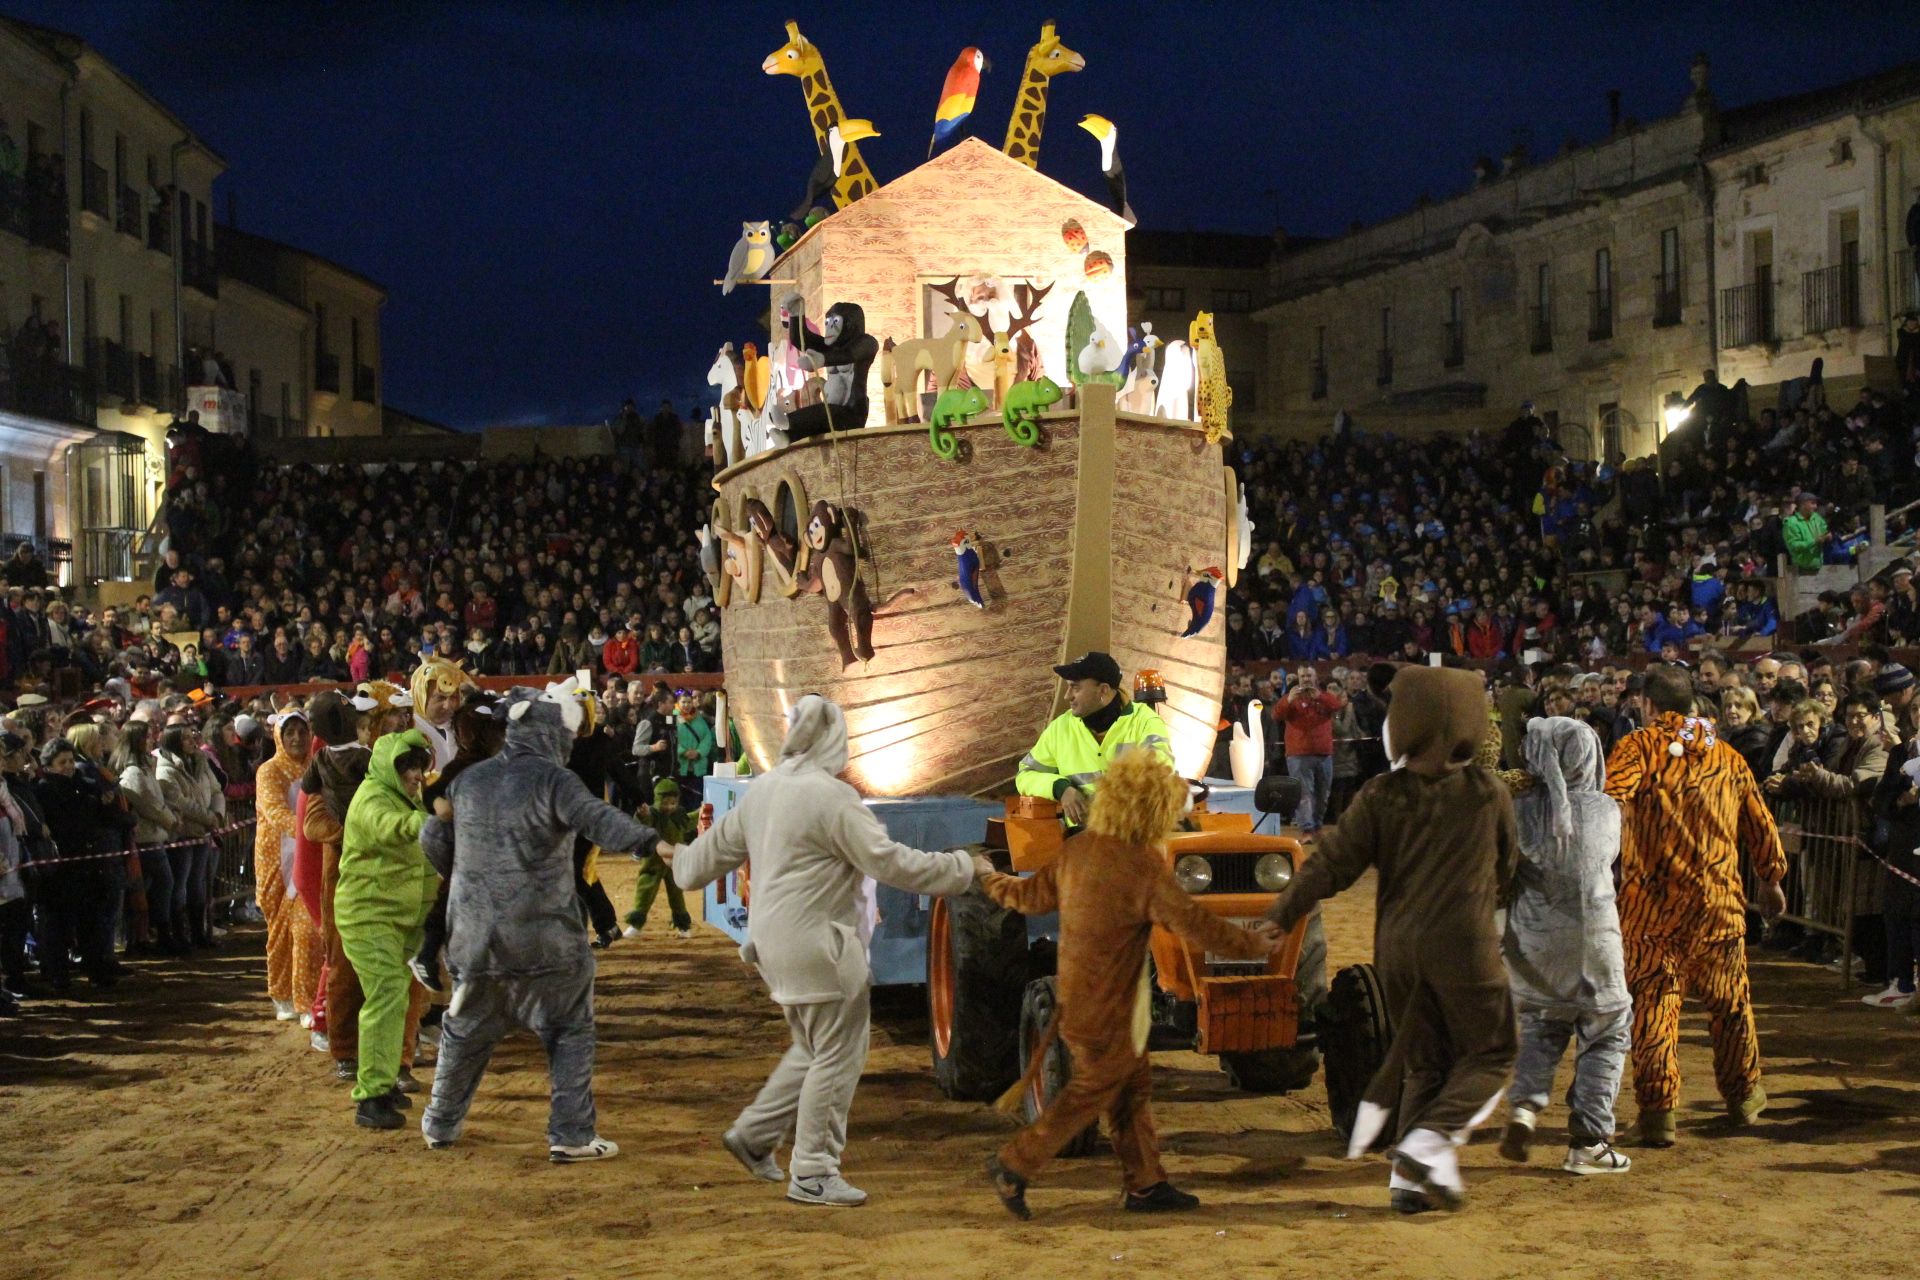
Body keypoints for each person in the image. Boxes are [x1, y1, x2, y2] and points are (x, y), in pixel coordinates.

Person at [672, 696, 977, 1207]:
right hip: (820, 947)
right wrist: (966, 871)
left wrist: (674, 853)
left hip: (772, 945)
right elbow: (890, 863)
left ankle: (754, 1135)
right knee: (838, 1054)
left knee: (815, 1047)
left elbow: (691, 870)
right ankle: (813, 1170)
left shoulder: (762, 790)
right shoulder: (832, 798)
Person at [1262, 666, 1519, 1213]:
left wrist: (1286, 910)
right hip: (1464, 942)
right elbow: (1507, 867)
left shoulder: (1382, 793)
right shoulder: (1486, 792)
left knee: (1424, 1059)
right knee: (1492, 1051)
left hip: (1398, 949)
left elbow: (1333, 863)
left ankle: (1406, 1180)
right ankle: (1426, 1143)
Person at [979, 751, 1279, 1219]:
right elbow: (1195, 926)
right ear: (1153, 808)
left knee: (1129, 1090)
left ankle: (1146, 1185)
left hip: (1078, 1001)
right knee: (1093, 1090)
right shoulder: (1141, 864)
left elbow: (1025, 898)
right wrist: (1252, 943)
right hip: (1113, 1009)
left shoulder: (1077, 851)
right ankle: (1014, 1163)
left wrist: (987, 878)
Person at [419, 683, 660, 1161]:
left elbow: (434, 835)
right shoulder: (556, 780)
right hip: (544, 939)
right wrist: (652, 844)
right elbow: (598, 819)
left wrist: (466, 875)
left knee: (463, 1031)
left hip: (475, 938)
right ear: (552, 733)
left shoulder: (468, 782)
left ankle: (440, 1124)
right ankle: (570, 1134)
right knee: (570, 1029)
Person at [1604, 664, 1787, 1147]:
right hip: (1719, 906)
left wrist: (1604, 866)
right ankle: (1744, 1095)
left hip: (1652, 910)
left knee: (1655, 1009)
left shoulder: (1637, 748)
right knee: (1729, 1005)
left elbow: (1608, 805)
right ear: (1691, 705)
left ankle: (1659, 1112)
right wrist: (1770, 880)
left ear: (1646, 704)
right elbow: (1760, 824)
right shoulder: (1727, 756)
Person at [1497, 718, 1631, 1176]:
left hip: (1533, 944)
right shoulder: (1606, 810)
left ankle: (1525, 1109)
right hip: (1594, 943)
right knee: (1607, 1031)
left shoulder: (1516, 809)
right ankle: (1589, 1142)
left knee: (1541, 1026)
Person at [333, 729, 441, 1130]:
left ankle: (385, 1080)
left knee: (395, 998)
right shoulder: (372, 798)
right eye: (407, 766)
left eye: (418, 765)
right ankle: (371, 1096)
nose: (415, 774)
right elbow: (388, 826)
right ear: (389, 767)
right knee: (385, 996)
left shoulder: (405, 796)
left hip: (400, 918)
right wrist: (427, 822)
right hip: (368, 915)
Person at [1015, 651, 1174, 828]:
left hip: (1134, 836)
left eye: (1075, 688)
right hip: (1082, 840)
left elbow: (1161, 772)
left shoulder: (1145, 722)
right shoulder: (1060, 729)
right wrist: (1061, 788)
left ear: (1103, 691)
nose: (1067, 695)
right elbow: (1025, 775)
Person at [255, 709, 320, 1024]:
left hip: (310, 857)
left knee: (307, 929)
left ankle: (307, 1000)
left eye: (302, 732)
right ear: (278, 737)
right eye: (289, 732)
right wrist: (310, 829)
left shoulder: (316, 766)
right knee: (279, 932)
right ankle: (281, 993)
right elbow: (274, 810)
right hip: (277, 859)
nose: (297, 738)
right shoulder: (269, 771)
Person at [1276, 667, 1343, 836]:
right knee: (1304, 795)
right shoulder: (1291, 698)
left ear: (1316, 677)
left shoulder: (1324, 697)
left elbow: (1336, 705)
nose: (1306, 679)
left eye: (1309, 675)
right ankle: (1307, 829)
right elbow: (1276, 715)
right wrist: (1288, 700)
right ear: (1298, 678)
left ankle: (1317, 826)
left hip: (1323, 753)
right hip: (1298, 754)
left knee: (1322, 795)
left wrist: (1319, 696)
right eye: (1303, 676)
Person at [625, 775, 694, 939]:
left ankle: (682, 925)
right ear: (657, 800)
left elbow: (690, 820)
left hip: (673, 862)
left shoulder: (679, 816)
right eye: (665, 803)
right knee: (645, 891)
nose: (669, 807)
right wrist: (642, 814)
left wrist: (703, 811)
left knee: (677, 894)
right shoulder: (653, 814)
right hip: (652, 861)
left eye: (673, 803)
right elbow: (644, 821)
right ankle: (636, 924)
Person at [410, 656, 474, 772]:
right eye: (440, 698)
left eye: (454, 697)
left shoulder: (465, 727)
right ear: (420, 695)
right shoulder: (406, 730)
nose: (448, 705)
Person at [1782, 492, 1829, 573]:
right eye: (1812, 503)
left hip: (1819, 567)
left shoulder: (1817, 518)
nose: (1815, 507)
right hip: (1801, 570)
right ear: (1803, 504)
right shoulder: (1791, 523)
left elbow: (1825, 530)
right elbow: (1794, 545)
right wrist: (1815, 541)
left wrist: (1827, 536)